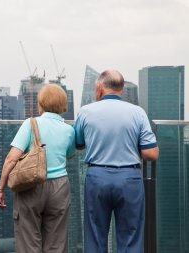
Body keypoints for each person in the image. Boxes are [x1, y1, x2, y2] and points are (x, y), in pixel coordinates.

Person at [74, 70, 159, 253]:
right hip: (130, 179)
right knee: (131, 239)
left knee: (95, 238)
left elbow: (78, 143)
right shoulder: (138, 112)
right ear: (121, 89)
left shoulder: (85, 111)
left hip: (97, 178)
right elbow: (151, 153)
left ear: (99, 88)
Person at [0, 83, 75, 253]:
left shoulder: (30, 124)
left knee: (28, 242)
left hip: (31, 184)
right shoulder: (69, 130)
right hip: (60, 187)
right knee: (57, 243)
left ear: (41, 103)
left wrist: (1, 187)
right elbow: (69, 154)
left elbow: (11, 159)